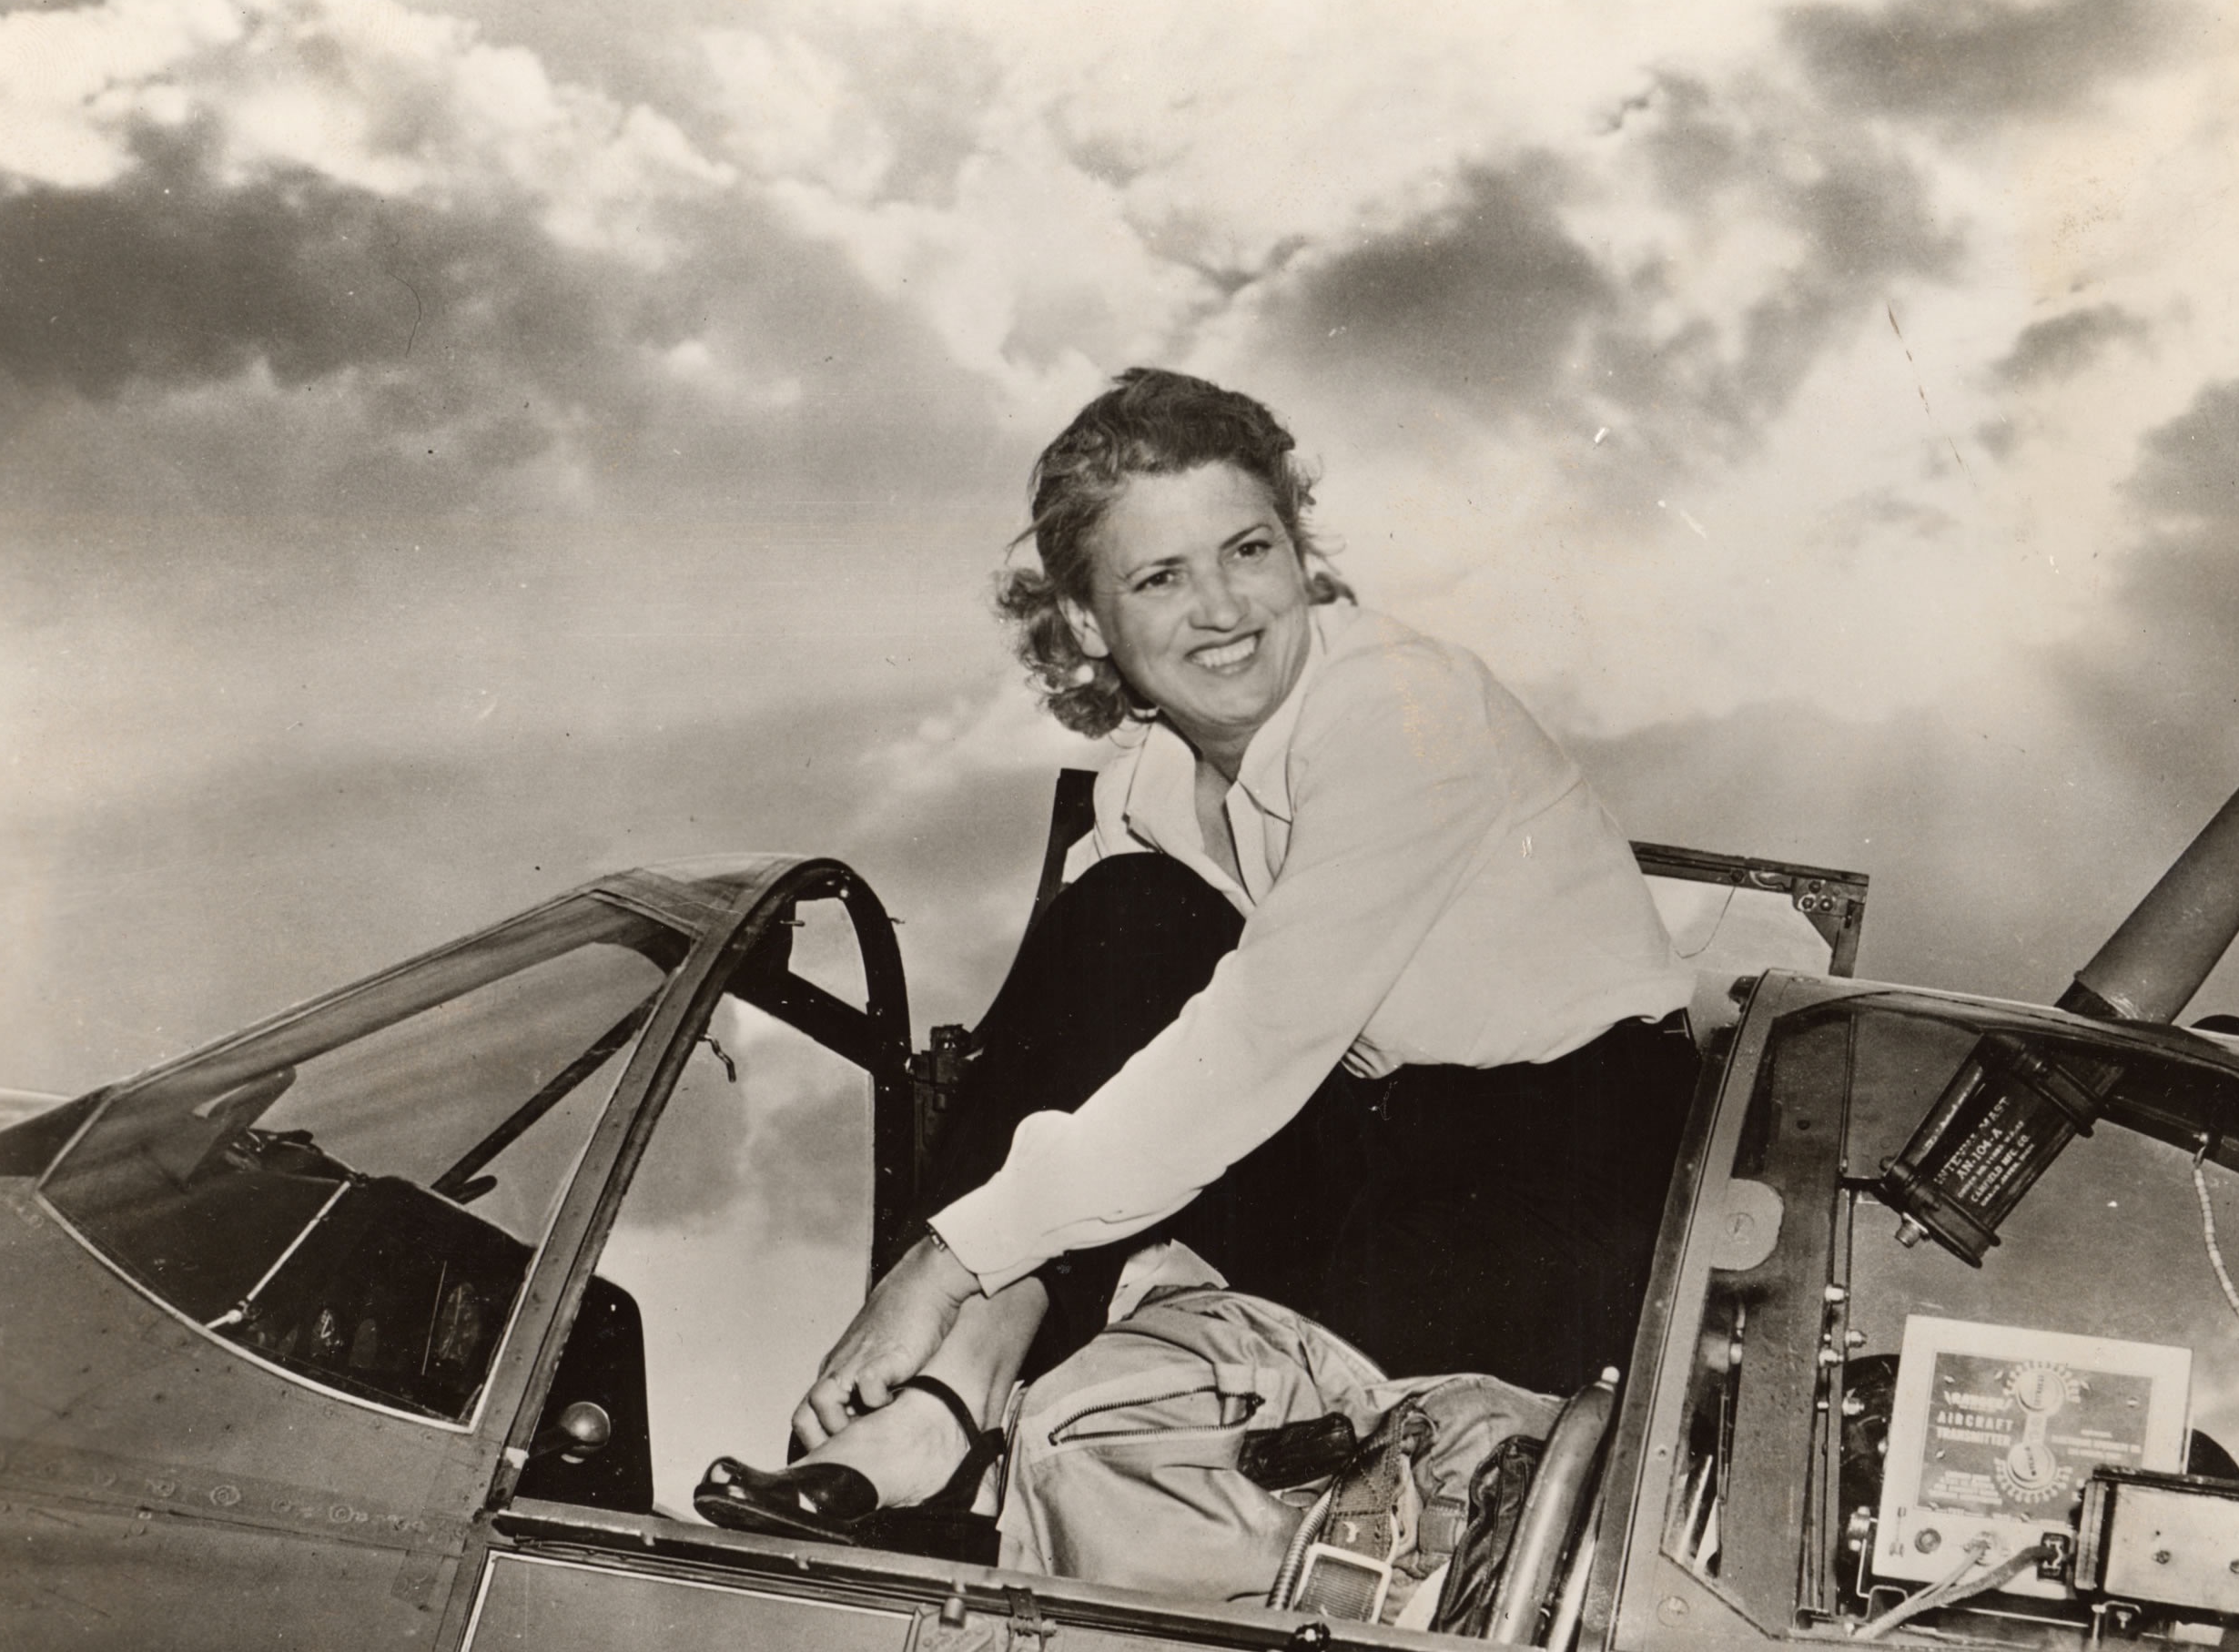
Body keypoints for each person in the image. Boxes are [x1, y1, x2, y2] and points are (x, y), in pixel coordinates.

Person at [698, 370, 1698, 1546]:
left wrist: (939, 1259)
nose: (1222, 608)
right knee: (1117, 914)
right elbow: (1083, 1060)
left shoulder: (1401, 709)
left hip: (1557, 1178)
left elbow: (1255, 1045)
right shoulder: (1152, 793)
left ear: (1298, 553)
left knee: (1264, 1449)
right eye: (1160, 577)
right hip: (1365, 1154)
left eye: (1248, 551)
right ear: (1084, 623)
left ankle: (961, 1390)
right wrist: (980, 1267)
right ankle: (952, 1393)